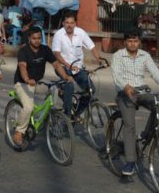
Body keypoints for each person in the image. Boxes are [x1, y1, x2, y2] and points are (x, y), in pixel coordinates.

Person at [12, 27, 71, 146]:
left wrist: (66, 77)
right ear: (29, 38)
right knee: (28, 107)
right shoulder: (23, 51)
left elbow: (56, 65)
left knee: (54, 88)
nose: (37, 41)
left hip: (38, 81)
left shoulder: (45, 50)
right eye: (34, 38)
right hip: (23, 83)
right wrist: (27, 79)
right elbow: (22, 67)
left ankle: (46, 118)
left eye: (39, 38)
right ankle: (19, 131)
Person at [111, 29, 159, 175]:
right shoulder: (118, 56)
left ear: (139, 42)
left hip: (142, 91)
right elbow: (116, 75)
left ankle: (147, 133)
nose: (133, 44)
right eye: (130, 41)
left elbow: (155, 72)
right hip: (125, 92)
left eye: (135, 41)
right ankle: (130, 162)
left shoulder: (145, 55)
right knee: (129, 125)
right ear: (125, 42)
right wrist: (125, 86)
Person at [52, 11, 106, 120]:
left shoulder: (80, 33)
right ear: (63, 23)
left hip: (77, 68)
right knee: (69, 84)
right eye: (67, 23)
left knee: (91, 90)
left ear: (75, 23)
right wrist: (68, 65)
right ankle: (67, 114)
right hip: (62, 67)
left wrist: (100, 59)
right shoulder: (59, 35)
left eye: (72, 23)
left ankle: (77, 112)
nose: (69, 25)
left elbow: (91, 47)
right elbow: (57, 54)